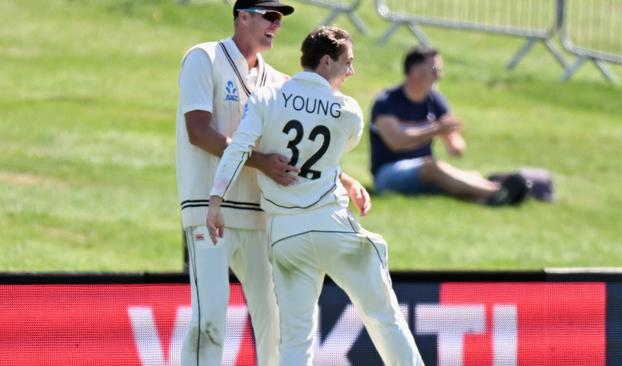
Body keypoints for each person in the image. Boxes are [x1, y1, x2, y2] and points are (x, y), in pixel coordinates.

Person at [206, 26, 424, 365]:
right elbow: (327, 149)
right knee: (384, 317)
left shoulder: (266, 97)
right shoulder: (348, 110)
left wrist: (216, 201)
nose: (351, 71)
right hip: (331, 225)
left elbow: (237, 150)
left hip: (286, 235)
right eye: (347, 62)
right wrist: (342, 179)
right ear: (326, 62)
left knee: (296, 340)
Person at [176, 1, 370, 365]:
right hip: (209, 209)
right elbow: (198, 131)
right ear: (242, 16)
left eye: (279, 19)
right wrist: (260, 162)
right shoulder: (204, 58)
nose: (276, 25)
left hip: (262, 214)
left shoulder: (280, 83)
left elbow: (291, 151)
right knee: (211, 321)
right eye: (270, 16)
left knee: (275, 323)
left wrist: (343, 179)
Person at [369, 46, 528, 206]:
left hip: (427, 168)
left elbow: (457, 147)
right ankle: (497, 192)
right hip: (387, 175)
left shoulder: (435, 101)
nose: (439, 75)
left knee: (467, 175)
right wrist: (435, 130)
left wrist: (454, 142)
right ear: (415, 70)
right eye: (434, 69)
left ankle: (492, 195)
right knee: (434, 167)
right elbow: (394, 141)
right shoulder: (387, 102)